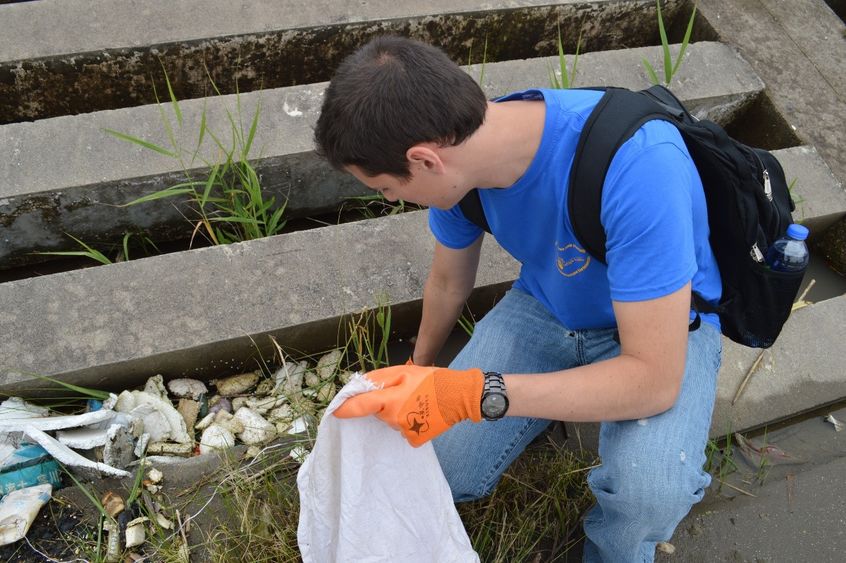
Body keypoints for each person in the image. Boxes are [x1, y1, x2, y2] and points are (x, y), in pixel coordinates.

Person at [314, 35, 723, 563]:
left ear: (424, 159)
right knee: (431, 459)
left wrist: (470, 393)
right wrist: (419, 373)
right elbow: (447, 282)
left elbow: (651, 380)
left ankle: (612, 553)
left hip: (661, 333)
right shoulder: (465, 165)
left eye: (387, 190)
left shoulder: (639, 168)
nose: (393, 201)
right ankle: (548, 401)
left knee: (650, 491)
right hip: (547, 306)